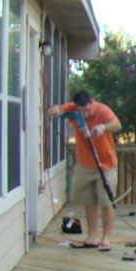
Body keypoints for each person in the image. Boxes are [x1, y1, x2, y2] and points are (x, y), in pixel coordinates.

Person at [49, 91, 122, 251]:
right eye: (82, 111)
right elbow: (55, 111)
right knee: (89, 201)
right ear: (77, 107)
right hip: (84, 164)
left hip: (106, 164)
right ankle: (92, 237)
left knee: (106, 201)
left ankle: (106, 239)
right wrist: (54, 110)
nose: (86, 114)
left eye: (88, 110)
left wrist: (103, 127)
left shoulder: (103, 110)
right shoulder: (72, 109)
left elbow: (117, 125)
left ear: (92, 102)